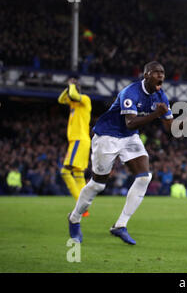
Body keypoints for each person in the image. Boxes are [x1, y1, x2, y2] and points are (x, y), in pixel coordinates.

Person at [68, 61, 173, 245]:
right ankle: (74, 218)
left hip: (129, 138)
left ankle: (120, 225)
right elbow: (130, 122)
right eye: (157, 72)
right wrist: (156, 114)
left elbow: (170, 127)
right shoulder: (130, 92)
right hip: (107, 136)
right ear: (146, 74)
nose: (161, 76)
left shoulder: (161, 95)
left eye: (163, 73)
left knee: (144, 177)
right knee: (98, 185)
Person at [58, 78, 92, 217]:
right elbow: (61, 99)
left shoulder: (84, 99)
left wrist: (71, 86)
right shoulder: (73, 104)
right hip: (78, 141)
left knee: (65, 172)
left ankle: (81, 206)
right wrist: (68, 87)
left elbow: (72, 95)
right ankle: (84, 207)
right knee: (78, 175)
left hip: (79, 140)